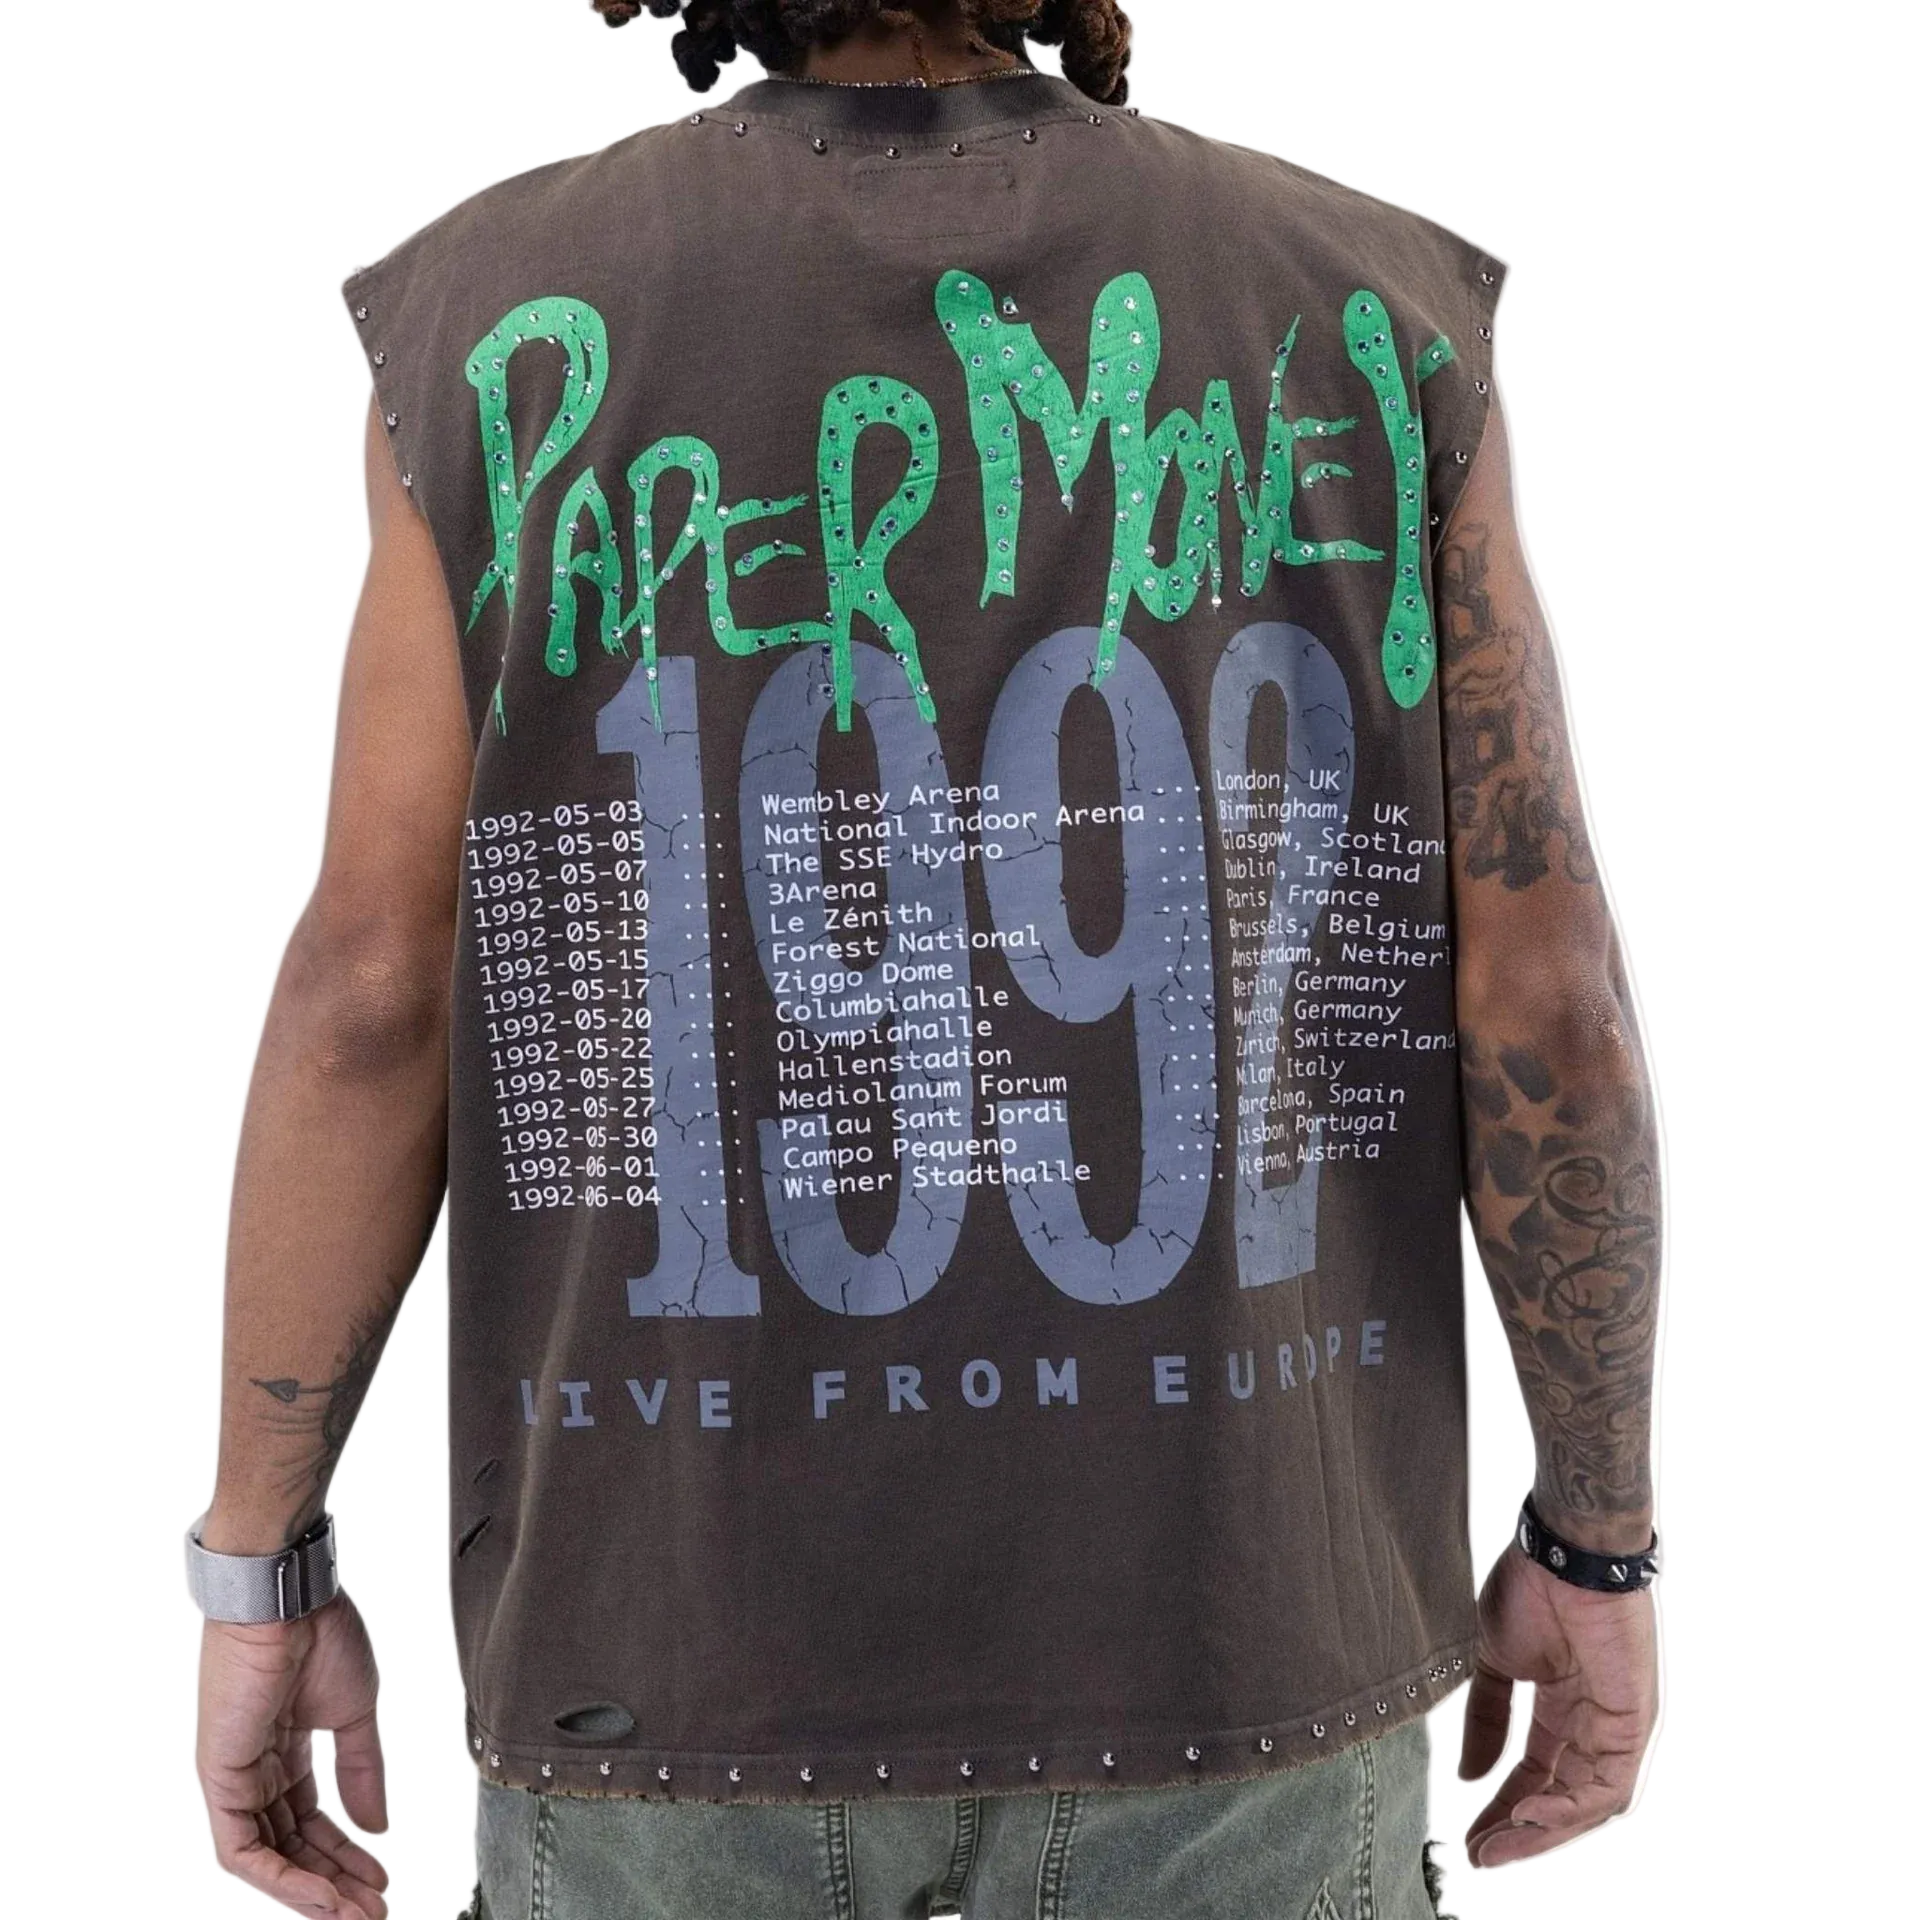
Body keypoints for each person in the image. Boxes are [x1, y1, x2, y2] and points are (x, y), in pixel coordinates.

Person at [189, 4, 1663, 1915]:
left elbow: (371, 999)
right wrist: (1597, 1542)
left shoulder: (500, 331)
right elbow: (1546, 999)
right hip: (1241, 1670)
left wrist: (262, 1571)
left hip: (664, 1679)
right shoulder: (1375, 316)